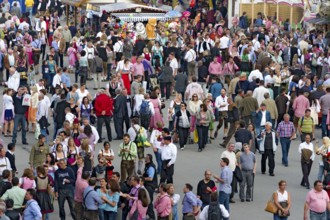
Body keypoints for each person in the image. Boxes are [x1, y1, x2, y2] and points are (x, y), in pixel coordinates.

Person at [143, 154, 157, 220]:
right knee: (146, 201)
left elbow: (150, 178)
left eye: (145, 157)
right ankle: (145, 215)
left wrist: (142, 178)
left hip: (150, 186)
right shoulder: (147, 165)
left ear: (148, 158)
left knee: (149, 201)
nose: (144, 158)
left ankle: (152, 217)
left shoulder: (151, 167)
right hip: (147, 185)